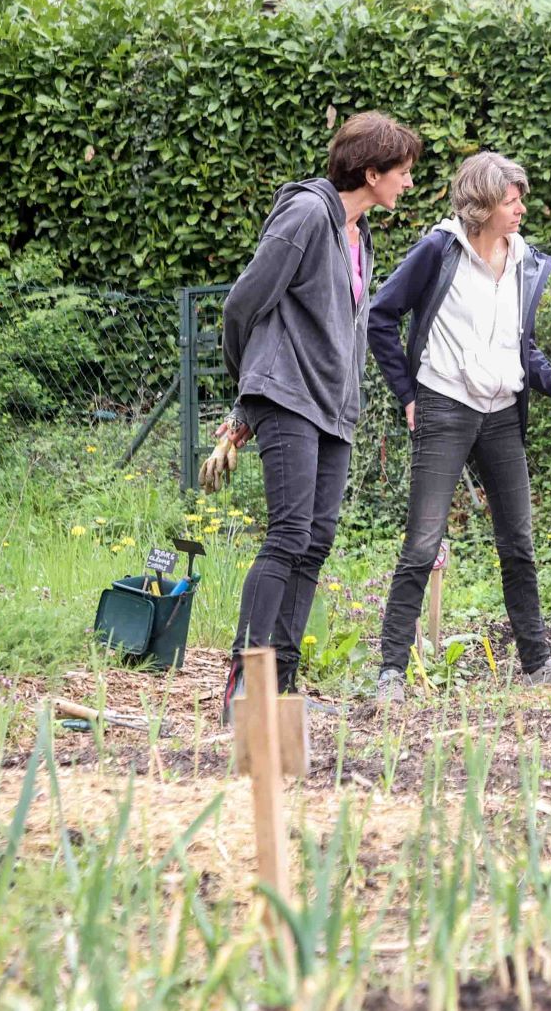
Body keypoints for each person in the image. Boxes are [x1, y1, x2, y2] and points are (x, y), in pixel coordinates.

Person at [218, 111, 421, 724]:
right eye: (403, 172)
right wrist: (251, 390)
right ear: (371, 171)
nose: (408, 183)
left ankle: (280, 690)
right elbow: (242, 303)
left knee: (315, 541)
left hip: (334, 409)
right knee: (286, 535)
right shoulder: (307, 215)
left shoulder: (359, 236)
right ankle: (243, 690)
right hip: (286, 397)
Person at [367, 152, 551, 702]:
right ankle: (391, 671)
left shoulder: (525, 261)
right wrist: (408, 394)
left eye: (520, 199)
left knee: (518, 542)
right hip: (444, 406)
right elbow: (380, 316)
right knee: (422, 543)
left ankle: (538, 665)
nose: (520, 209)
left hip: (501, 414)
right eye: (511, 200)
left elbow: (523, 348)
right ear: (483, 204)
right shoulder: (438, 251)